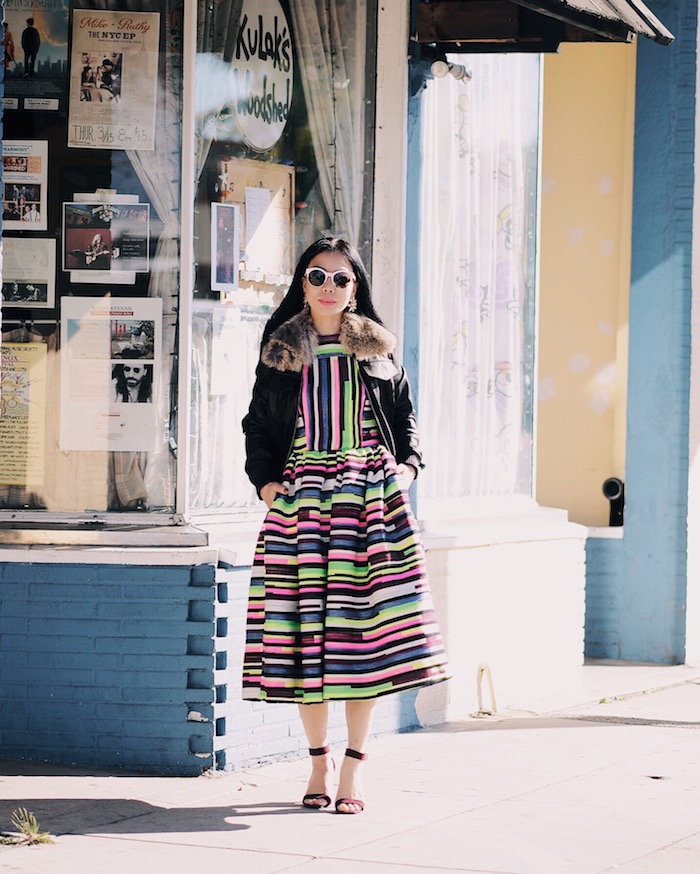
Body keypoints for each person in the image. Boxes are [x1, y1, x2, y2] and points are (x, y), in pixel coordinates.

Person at [241, 237, 449, 814]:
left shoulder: (378, 352)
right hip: (303, 504)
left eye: (341, 278)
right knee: (308, 640)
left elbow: (406, 419)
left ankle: (354, 769)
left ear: (356, 287)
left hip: (369, 503)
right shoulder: (281, 352)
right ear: (301, 285)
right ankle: (316, 763)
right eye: (317, 276)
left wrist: (408, 469)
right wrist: (264, 483)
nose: (329, 287)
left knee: (364, 640)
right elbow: (257, 425)